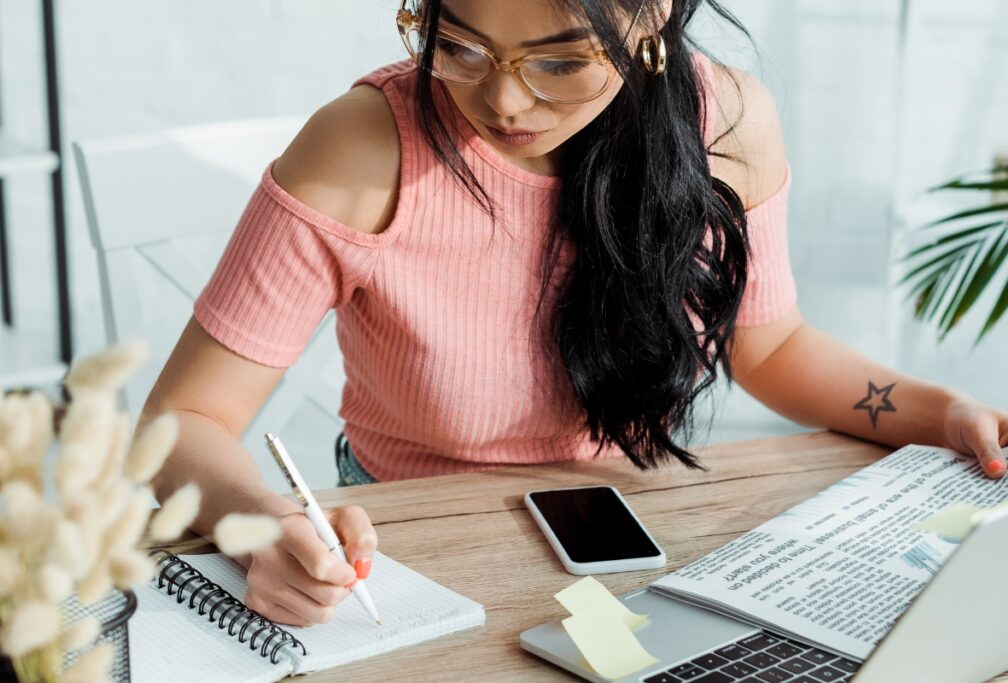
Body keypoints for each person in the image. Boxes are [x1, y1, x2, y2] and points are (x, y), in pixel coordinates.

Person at [144, 0, 1008, 627]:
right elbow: (183, 418)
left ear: (652, 20)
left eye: (560, 61)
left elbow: (771, 345)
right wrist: (263, 524)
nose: (505, 103)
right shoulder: (365, 147)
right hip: (401, 551)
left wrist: (939, 413)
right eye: (462, 47)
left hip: (633, 531)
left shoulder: (727, 123)